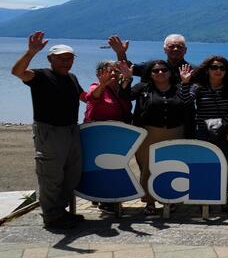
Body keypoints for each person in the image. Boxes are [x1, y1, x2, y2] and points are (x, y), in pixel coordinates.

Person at [11, 32, 84, 229]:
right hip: (49, 131)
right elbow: (17, 72)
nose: (66, 62)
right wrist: (31, 52)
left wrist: (103, 85)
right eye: (61, 58)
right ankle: (52, 216)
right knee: (51, 175)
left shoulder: (72, 78)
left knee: (71, 174)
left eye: (69, 58)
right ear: (50, 59)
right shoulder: (40, 75)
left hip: (71, 129)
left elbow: (85, 97)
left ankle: (61, 211)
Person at [130, 60, 194, 215]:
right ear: (150, 74)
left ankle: (169, 199)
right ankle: (149, 202)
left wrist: (186, 83)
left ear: (170, 72)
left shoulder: (180, 88)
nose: (160, 73)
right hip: (149, 133)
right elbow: (124, 96)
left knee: (172, 167)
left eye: (164, 70)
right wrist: (126, 78)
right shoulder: (143, 88)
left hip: (176, 132)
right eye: (155, 71)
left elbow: (188, 104)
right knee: (147, 168)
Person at [184, 56, 228, 210]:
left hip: (225, 132)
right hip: (203, 132)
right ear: (208, 70)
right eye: (214, 67)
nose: (218, 70)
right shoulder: (198, 87)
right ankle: (207, 196)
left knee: (226, 164)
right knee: (205, 164)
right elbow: (186, 102)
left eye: (222, 68)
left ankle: (224, 194)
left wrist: (220, 124)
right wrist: (185, 83)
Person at [81, 60, 133, 215]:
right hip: (97, 134)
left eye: (116, 71)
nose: (113, 74)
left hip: (117, 134)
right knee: (101, 166)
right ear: (99, 74)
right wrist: (102, 84)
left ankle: (106, 198)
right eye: (109, 71)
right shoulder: (96, 86)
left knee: (113, 166)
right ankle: (105, 200)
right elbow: (91, 97)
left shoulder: (122, 89)